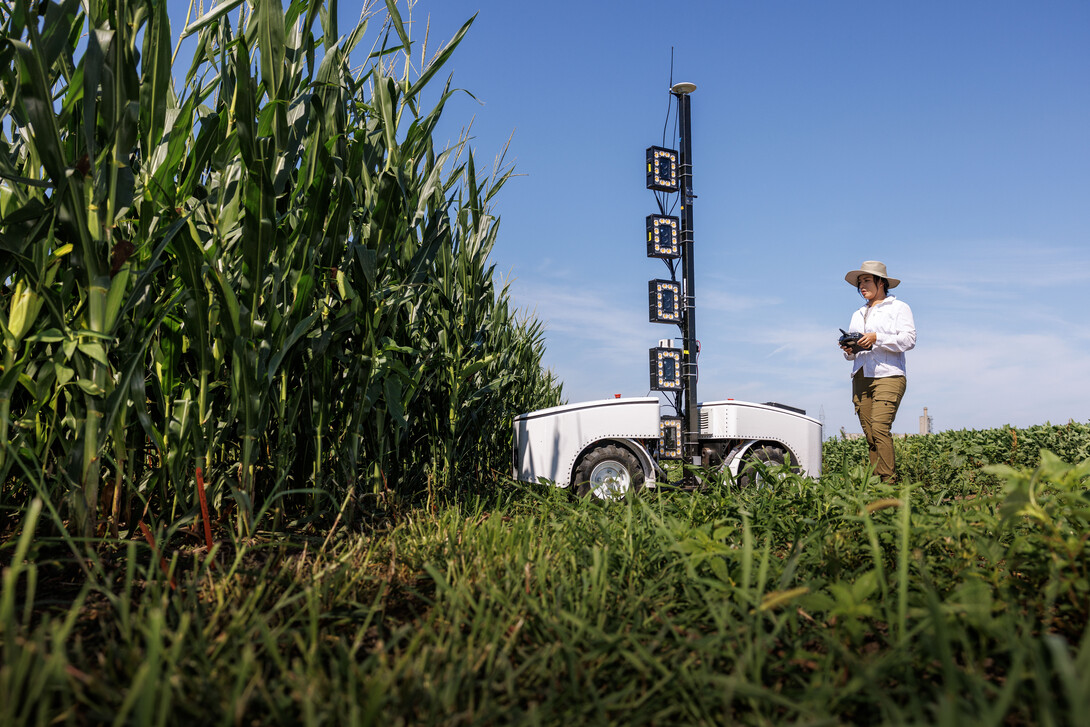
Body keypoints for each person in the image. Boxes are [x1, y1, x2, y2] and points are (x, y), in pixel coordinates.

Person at [840, 261, 916, 482]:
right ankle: (875, 485)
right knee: (871, 435)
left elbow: (909, 340)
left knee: (880, 428)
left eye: (866, 280)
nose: (861, 286)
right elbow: (852, 354)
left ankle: (889, 484)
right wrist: (848, 349)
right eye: (859, 282)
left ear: (881, 282)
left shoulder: (899, 307)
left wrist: (877, 338)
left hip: (889, 375)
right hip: (861, 375)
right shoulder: (857, 313)